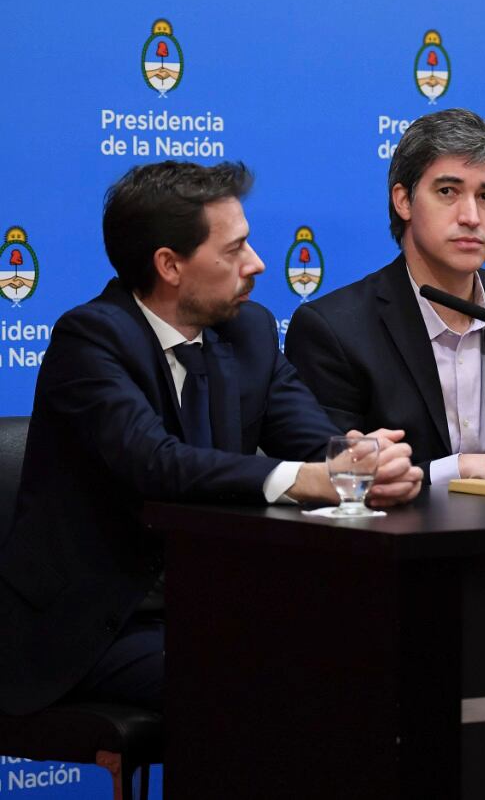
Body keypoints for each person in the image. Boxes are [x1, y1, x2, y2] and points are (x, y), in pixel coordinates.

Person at [0, 161, 422, 716]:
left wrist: (365, 462)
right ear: (170, 265)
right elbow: (157, 464)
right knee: (264, 680)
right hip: (96, 626)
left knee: (370, 650)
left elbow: (313, 439)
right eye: (234, 250)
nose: (257, 264)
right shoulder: (91, 340)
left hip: (211, 604)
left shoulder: (246, 330)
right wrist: (309, 479)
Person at [286, 108, 485, 483]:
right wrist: (456, 470)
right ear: (404, 201)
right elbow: (332, 476)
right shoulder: (334, 329)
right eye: (448, 191)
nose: (471, 216)